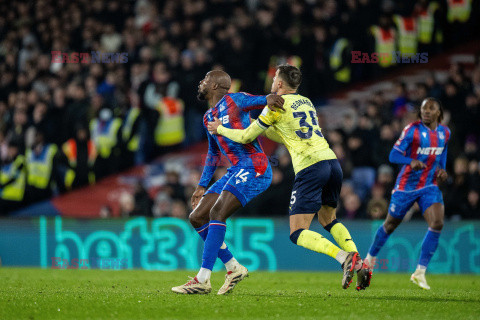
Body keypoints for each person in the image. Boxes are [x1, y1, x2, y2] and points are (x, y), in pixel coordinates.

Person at [208, 65, 370, 290]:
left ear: (280, 84)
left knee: (297, 231)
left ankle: (343, 258)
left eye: (274, 77)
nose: (272, 81)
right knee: (328, 220)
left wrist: (220, 129)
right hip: (332, 163)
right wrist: (262, 127)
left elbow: (245, 137)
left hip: (310, 167)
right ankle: (358, 262)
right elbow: (286, 133)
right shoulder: (306, 102)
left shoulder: (275, 105)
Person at [171, 70, 284, 295]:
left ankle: (203, 279)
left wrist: (271, 99)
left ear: (215, 85)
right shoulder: (207, 118)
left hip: (255, 167)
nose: (201, 83)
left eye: (204, 80)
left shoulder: (236, 100)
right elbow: (213, 154)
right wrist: (202, 185)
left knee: (217, 213)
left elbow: (262, 101)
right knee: (197, 216)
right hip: (236, 170)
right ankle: (233, 267)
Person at [364, 98, 450, 290]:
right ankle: (369, 259)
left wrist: (442, 170)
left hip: (429, 185)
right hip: (406, 186)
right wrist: (410, 161)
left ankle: (419, 272)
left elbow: (442, 153)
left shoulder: (445, 133)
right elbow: (393, 155)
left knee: (437, 223)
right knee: (390, 225)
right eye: (423, 109)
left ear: (438, 112)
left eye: (431, 108)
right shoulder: (412, 129)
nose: (426, 111)